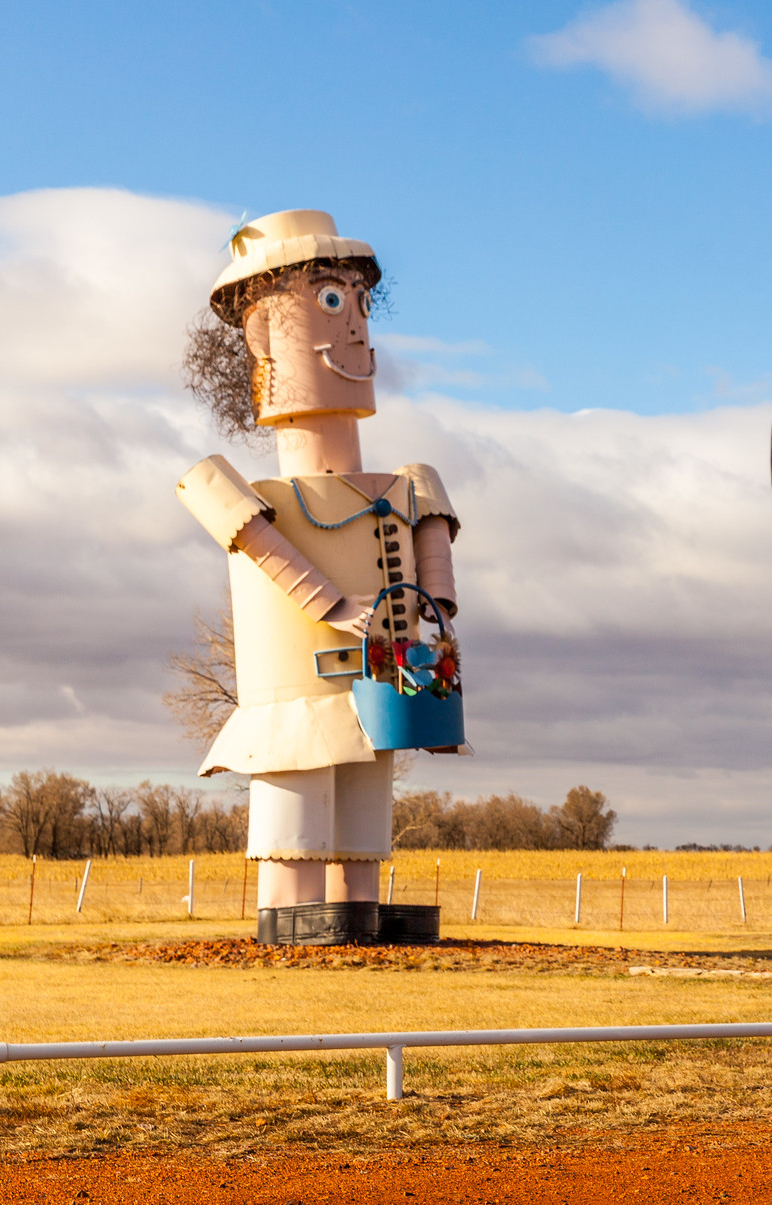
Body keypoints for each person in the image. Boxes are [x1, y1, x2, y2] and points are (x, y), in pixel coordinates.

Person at [175, 209, 463, 942]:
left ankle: (357, 915)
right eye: (330, 301)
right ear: (265, 334)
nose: (355, 326)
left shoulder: (409, 482)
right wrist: (337, 605)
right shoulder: (231, 491)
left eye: (359, 302)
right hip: (295, 692)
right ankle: (289, 919)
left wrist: (428, 620)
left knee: (364, 810)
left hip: (382, 682)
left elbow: (436, 582)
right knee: (295, 807)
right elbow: (273, 558)